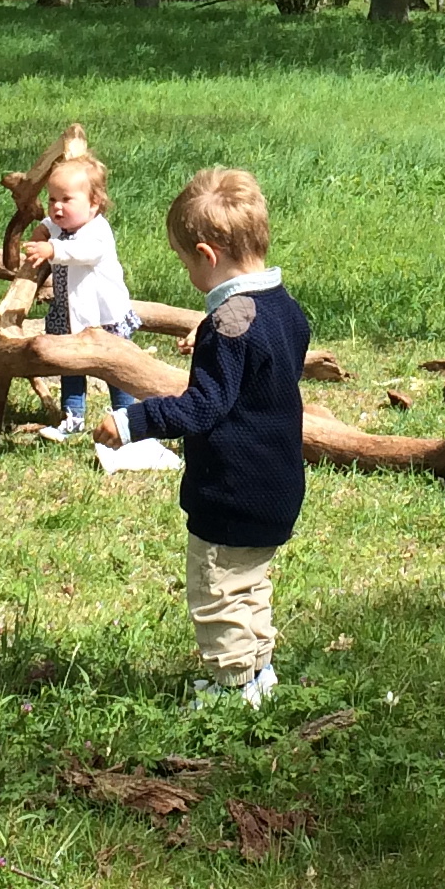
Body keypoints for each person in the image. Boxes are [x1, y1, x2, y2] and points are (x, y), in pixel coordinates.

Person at [83, 167, 307, 708]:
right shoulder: (284, 308)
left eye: (187, 264)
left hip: (232, 489)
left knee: (218, 590)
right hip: (278, 483)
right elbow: (260, 353)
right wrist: (210, 331)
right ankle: (258, 671)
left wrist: (132, 423)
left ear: (207, 255)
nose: (188, 275)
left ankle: (231, 688)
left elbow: (201, 408)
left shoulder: (231, 324)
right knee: (251, 581)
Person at [16, 149, 141, 444]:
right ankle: (72, 417)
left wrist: (52, 250)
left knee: (115, 368)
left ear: (94, 203)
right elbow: (52, 225)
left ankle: (125, 417)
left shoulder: (98, 231)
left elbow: (85, 252)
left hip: (102, 315)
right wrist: (42, 230)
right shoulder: (63, 223)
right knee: (69, 364)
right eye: (52, 199)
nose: (57, 208)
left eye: (66, 200)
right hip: (69, 312)